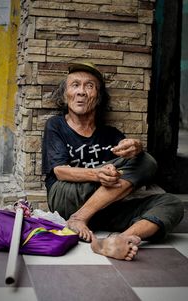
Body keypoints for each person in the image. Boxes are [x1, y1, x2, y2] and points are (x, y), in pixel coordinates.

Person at [42, 62, 184, 261]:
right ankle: (78, 218)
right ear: (65, 95)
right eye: (75, 85)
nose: (81, 92)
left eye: (89, 86)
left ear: (98, 97)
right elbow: (59, 171)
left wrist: (136, 147)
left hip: (105, 207)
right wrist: (97, 174)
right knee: (144, 162)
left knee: (172, 202)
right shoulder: (56, 125)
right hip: (67, 196)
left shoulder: (110, 134)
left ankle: (118, 241)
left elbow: (139, 165)